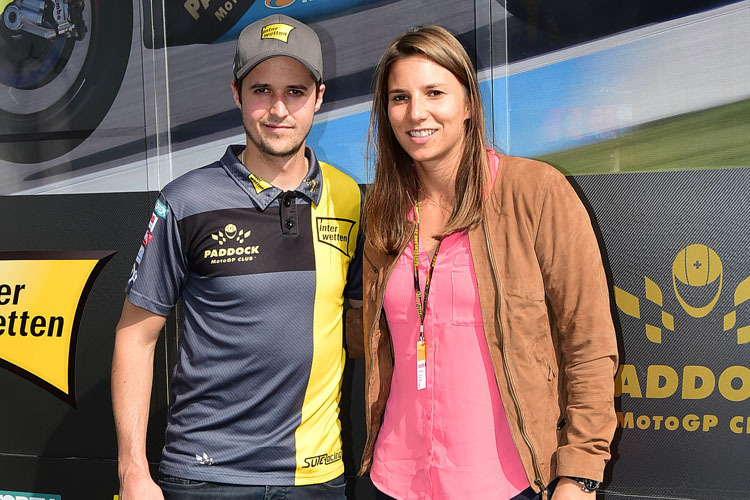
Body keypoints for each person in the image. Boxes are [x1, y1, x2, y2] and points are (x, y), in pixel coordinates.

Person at [359, 26, 618, 500]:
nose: (417, 112)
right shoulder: (383, 211)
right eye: (400, 97)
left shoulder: (534, 192)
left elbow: (588, 342)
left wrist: (580, 473)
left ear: (468, 104)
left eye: (434, 92)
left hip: (504, 485)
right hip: (394, 481)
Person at [111, 14, 363, 500]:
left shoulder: (347, 198)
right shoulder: (185, 200)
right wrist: (132, 472)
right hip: (207, 476)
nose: (278, 109)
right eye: (261, 89)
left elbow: (356, 325)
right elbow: (135, 338)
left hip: (316, 479)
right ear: (236, 93)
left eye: (295, 91)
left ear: (319, 98)